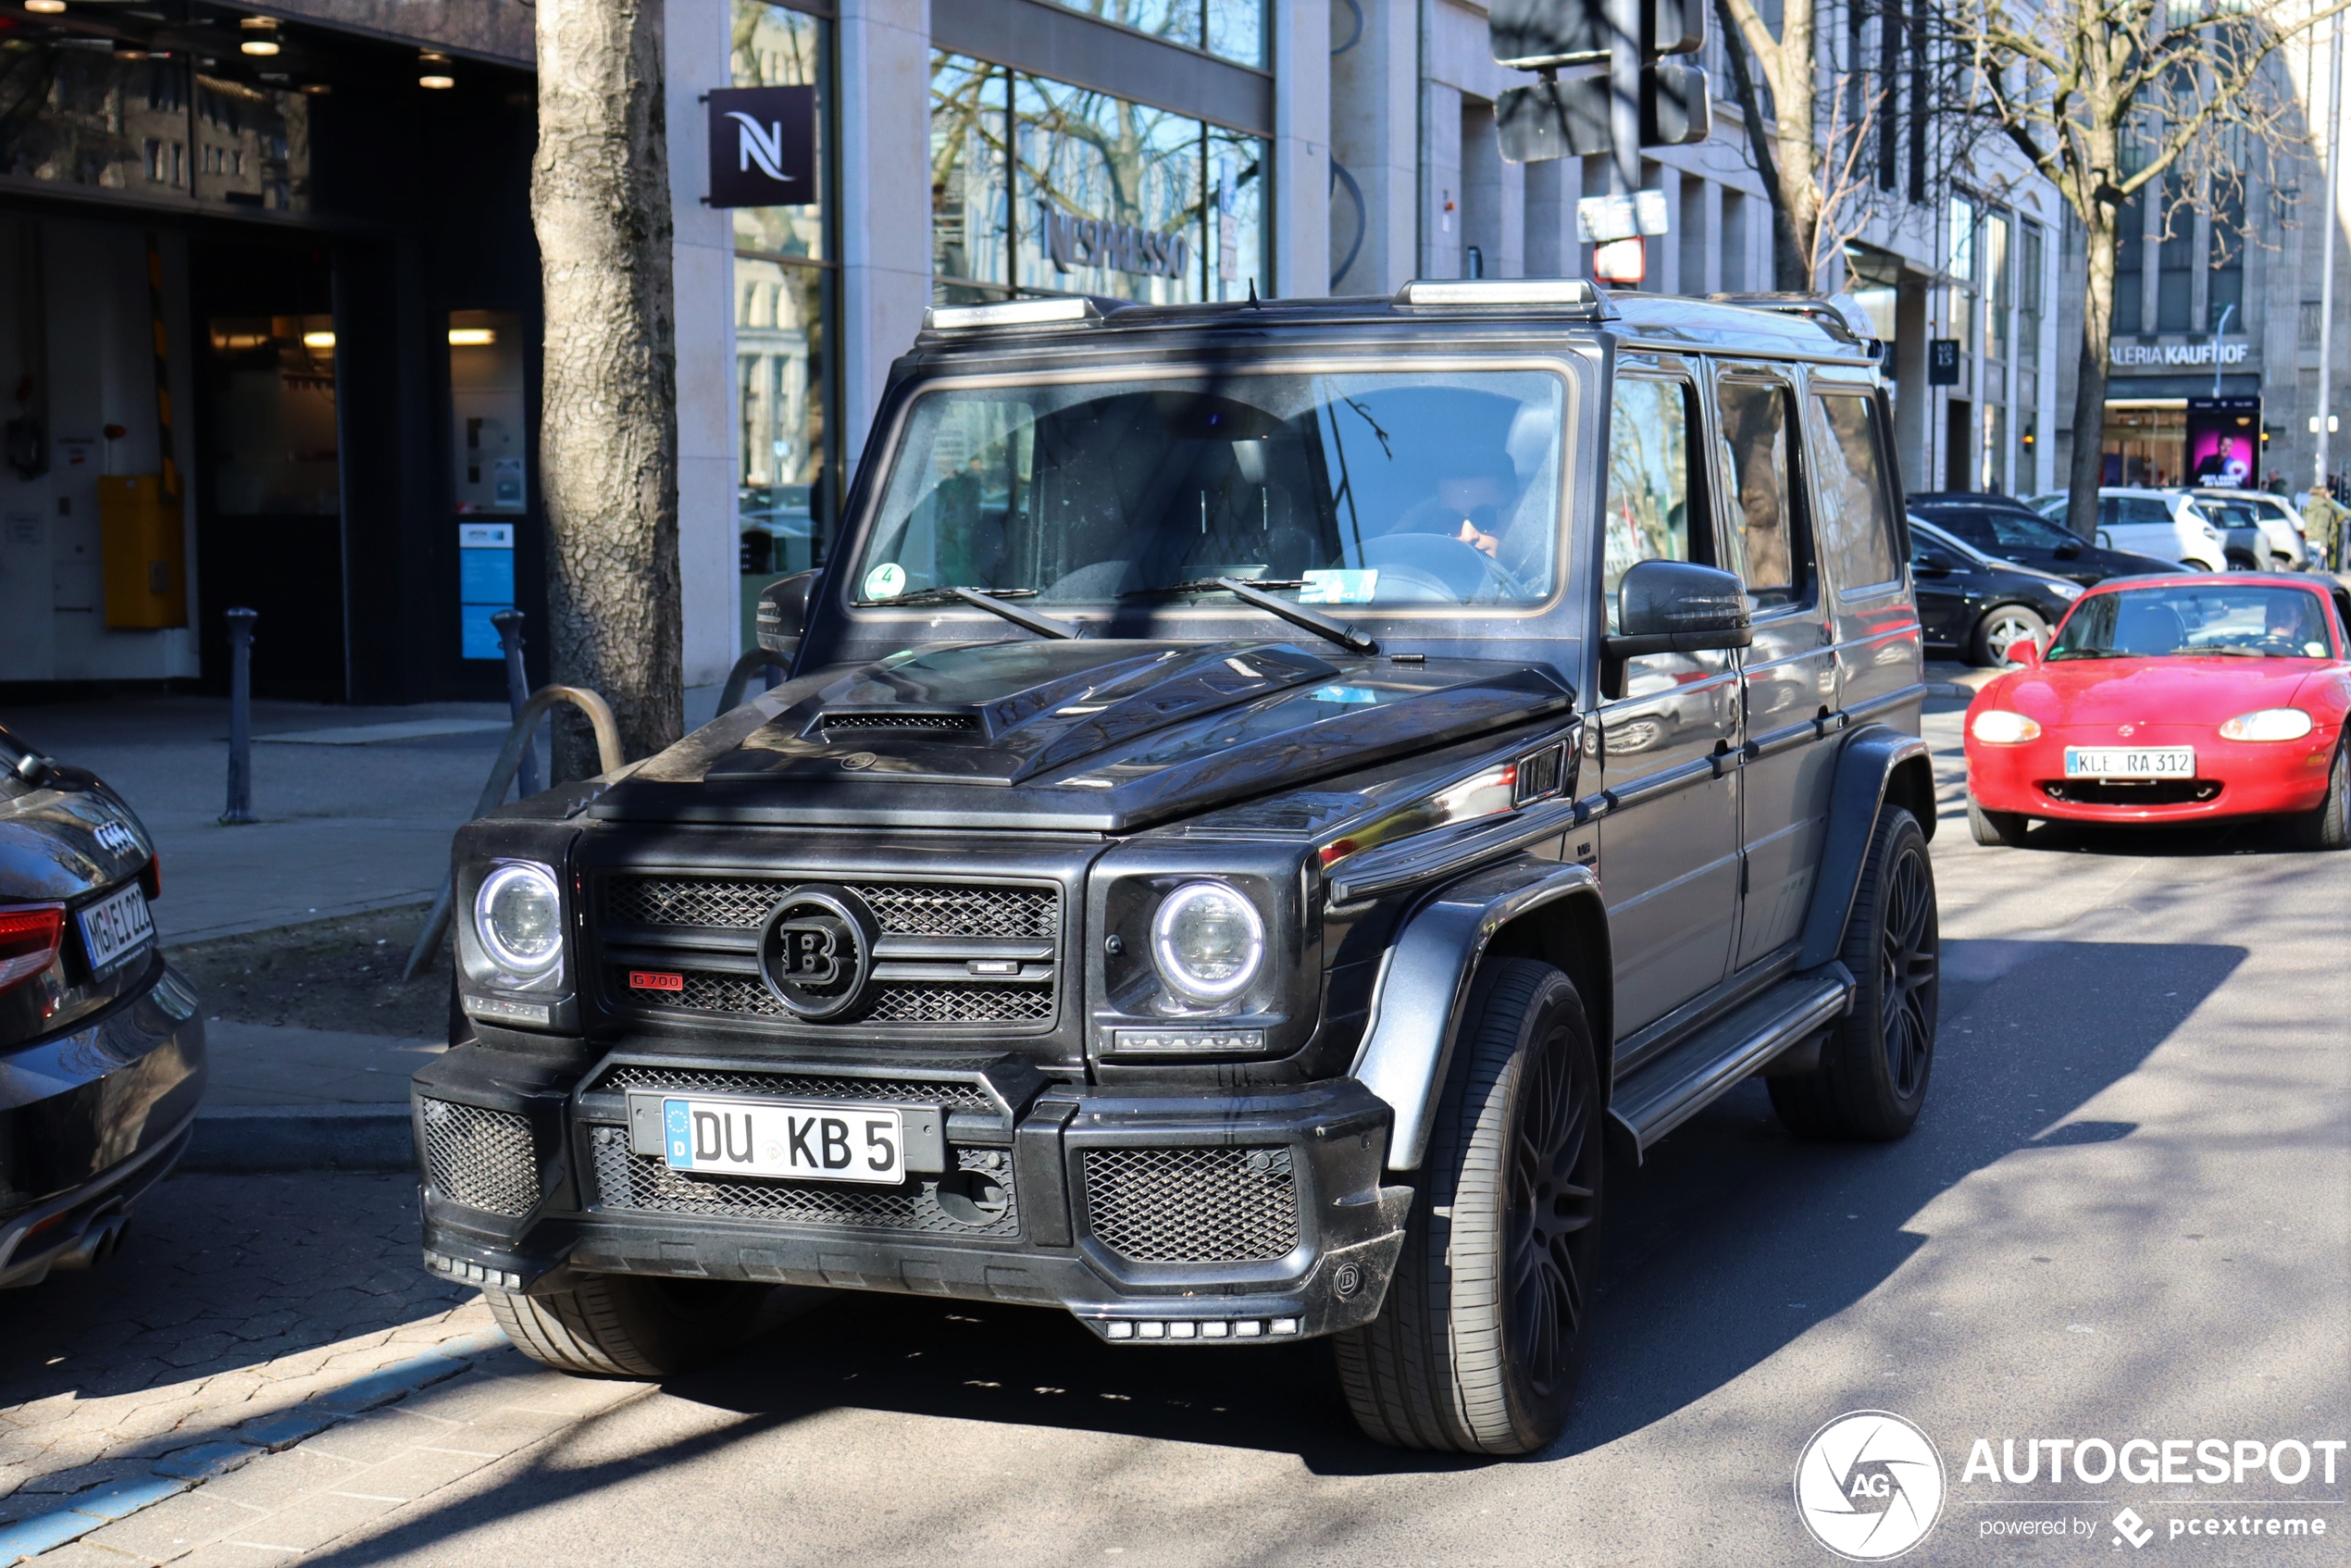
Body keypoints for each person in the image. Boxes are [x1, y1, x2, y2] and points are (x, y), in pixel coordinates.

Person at [2303, 480, 2345, 572]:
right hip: (2319, 543)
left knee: (2314, 568)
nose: (2330, 495)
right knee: (2320, 572)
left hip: (2311, 540)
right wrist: (2323, 545)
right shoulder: (2324, 509)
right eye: (2327, 492)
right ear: (2324, 494)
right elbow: (2322, 528)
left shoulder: (2312, 505)